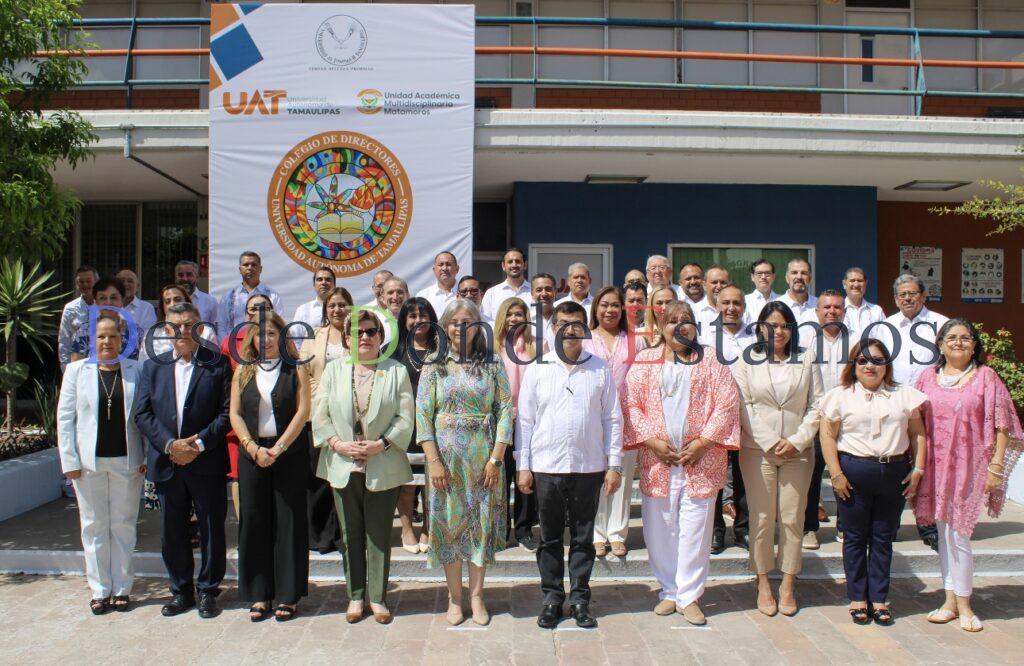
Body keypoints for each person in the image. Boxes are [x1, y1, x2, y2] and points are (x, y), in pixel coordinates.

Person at [622, 301, 741, 624]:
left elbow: (728, 403)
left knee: (695, 529)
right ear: (661, 327)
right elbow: (630, 403)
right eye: (672, 320)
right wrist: (652, 441)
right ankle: (668, 591)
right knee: (659, 527)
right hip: (658, 458)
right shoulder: (646, 360)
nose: (679, 326)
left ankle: (689, 596)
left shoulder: (712, 359)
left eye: (685, 320)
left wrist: (703, 443)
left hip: (700, 459)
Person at [516, 301, 622, 629]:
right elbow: (526, 422)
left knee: (582, 537)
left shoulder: (600, 369)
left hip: (588, 466)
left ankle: (579, 599)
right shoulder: (537, 368)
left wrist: (614, 464)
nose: (570, 330)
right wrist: (524, 465)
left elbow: (612, 419)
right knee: (548, 538)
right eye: (563, 323)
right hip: (547, 465)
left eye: (576, 323)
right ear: (553, 327)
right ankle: (551, 598)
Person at [913, 318, 1023, 632]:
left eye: (966, 338)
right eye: (952, 337)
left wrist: (996, 467)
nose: (959, 342)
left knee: (959, 535)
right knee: (944, 537)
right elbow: (914, 423)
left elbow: (1003, 425)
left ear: (975, 345)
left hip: (970, 468)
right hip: (936, 468)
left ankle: (964, 603)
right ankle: (949, 600)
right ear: (940, 344)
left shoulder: (986, 377)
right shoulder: (927, 378)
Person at [313, 309, 414, 625]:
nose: (365, 337)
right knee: (350, 533)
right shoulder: (333, 371)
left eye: (371, 331)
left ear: (381, 337)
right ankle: (355, 596)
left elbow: (406, 418)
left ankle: (378, 598)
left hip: (382, 462)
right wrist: (338, 444)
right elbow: (321, 415)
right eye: (357, 332)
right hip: (343, 463)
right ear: (346, 338)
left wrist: (381, 444)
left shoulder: (395, 371)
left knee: (379, 534)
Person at [417, 299, 513, 626]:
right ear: (445, 328)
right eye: (455, 322)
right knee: (447, 527)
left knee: (479, 526)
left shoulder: (492, 362)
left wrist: (496, 459)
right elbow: (422, 416)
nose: (461, 328)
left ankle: (477, 596)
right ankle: (454, 597)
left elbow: (504, 411)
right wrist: (434, 462)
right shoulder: (433, 364)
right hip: (445, 458)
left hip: (482, 456)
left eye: (468, 322)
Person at [133, 302, 232, 619]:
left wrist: (199, 444)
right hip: (168, 462)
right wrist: (170, 445)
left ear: (200, 328)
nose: (183, 332)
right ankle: (181, 591)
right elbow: (142, 414)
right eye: (176, 327)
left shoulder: (218, 365)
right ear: (165, 330)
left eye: (190, 325)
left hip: (207, 462)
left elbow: (226, 414)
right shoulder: (153, 367)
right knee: (171, 532)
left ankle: (207, 591)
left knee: (211, 529)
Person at [820, 338, 927, 627]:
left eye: (878, 360)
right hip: (853, 473)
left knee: (882, 538)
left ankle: (878, 599)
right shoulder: (840, 395)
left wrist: (918, 468)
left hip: (894, 473)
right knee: (854, 538)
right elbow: (827, 436)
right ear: (854, 364)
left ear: (887, 366)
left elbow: (918, 433)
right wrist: (836, 474)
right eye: (864, 360)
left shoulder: (903, 395)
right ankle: (857, 597)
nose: (870, 366)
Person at [732, 301, 823, 617]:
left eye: (784, 325)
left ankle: (787, 583)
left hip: (798, 452)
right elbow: (744, 405)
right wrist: (770, 441)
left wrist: (798, 440)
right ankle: (762, 583)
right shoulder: (747, 360)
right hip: (759, 451)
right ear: (760, 328)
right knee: (760, 518)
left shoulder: (806, 357)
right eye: (771, 324)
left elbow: (817, 404)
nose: (778, 331)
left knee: (791, 518)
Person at [57, 316, 146, 614]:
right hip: (87, 463)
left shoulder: (137, 370)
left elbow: (144, 416)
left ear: (122, 340)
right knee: (93, 526)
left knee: (123, 525)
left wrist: (145, 456)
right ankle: (99, 589)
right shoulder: (76, 371)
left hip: (127, 460)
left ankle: (122, 588)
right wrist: (68, 461)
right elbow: (65, 418)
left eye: (113, 337)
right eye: (101, 337)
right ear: (92, 340)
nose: (107, 342)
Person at [228, 312, 311, 622]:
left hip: (287, 453)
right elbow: (235, 413)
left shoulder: (296, 368)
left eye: (272, 334)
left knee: (289, 522)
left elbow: (303, 411)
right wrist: (251, 446)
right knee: (254, 520)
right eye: (260, 335)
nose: (266, 340)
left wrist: (278, 448)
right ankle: (259, 593)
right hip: (252, 454)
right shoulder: (244, 370)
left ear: (282, 337)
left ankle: (288, 596)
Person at [874, 274, 948, 549]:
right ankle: (889, 525)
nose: (907, 298)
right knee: (894, 466)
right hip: (894, 406)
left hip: (931, 408)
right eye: (902, 294)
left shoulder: (940, 324)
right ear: (895, 298)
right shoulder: (885, 326)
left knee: (927, 466)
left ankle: (927, 525)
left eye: (913, 293)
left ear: (923, 296)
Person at [585, 286, 643, 558]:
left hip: (627, 418)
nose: (610, 310)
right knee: (596, 476)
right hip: (593, 418)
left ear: (623, 310)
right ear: (595, 309)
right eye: (604, 305)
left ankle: (617, 532)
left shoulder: (635, 340)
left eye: (615, 305)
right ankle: (597, 533)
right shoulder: (586, 339)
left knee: (621, 474)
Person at [700, 284, 755, 554]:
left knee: (744, 473)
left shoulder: (755, 337)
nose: (732, 308)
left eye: (737, 303)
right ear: (717, 306)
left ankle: (743, 529)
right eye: (726, 303)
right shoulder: (706, 337)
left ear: (744, 307)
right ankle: (715, 531)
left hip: (748, 415)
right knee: (716, 474)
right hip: (715, 415)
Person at [300, 286, 353, 555]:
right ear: (325, 309)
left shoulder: (358, 336)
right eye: (332, 305)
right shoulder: (313, 338)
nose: (337, 309)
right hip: (317, 415)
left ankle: (345, 536)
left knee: (344, 479)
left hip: (348, 417)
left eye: (342, 304)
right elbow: (304, 373)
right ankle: (321, 535)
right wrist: (324, 397)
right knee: (318, 479)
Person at [221, 293, 276, 517]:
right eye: (254, 308)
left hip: (273, 419)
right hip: (241, 420)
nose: (259, 313)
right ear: (246, 313)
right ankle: (247, 526)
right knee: (238, 476)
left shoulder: (282, 339)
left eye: (265, 308)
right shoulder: (229, 342)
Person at [493, 297, 541, 552]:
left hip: (528, 420)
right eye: (510, 314)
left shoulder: (535, 347)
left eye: (519, 314)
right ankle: (500, 529)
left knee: (525, 476)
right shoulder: (493, 348)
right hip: (500, 421)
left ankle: (523, 530)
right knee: (501, 476)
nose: (514, 319)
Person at [802, 290, 848, 550]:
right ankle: (809, 528)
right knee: (812, 475)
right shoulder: (806, 340)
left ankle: (845, 526)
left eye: (837, 307)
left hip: (848, 420)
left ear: (844, 311)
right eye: (826, 307)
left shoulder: (856, 341)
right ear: (817, 312)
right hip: (817, 418)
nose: (832, 311)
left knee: (846, 473)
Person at [392, 298, 439, 554]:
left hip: (436, 428)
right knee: (408, 483)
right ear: (404, 320)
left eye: (424, 315)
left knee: (434, 482)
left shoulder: (443, 349)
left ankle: (430, 528)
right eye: (412, 316)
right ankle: (407, 527)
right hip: (405, 427)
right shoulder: (393, 350)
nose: (418, 320)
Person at [140, 284, 218, 362]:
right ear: (162, 307)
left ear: (187, 302)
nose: (172, 304)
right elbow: (143, 365)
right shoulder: (151, 335)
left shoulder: (206, 332)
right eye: (167, 301)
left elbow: (214, 363)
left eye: (177, 299)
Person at [216, 251, 282, 342]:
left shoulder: (272, 296)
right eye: (246, 265)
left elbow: (278, 324)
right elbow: (221, 325)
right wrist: (227, 346)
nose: (250, 268)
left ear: (261, 269)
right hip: (234, 346)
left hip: (263, 346)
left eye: (254, 265)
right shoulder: (228, 297)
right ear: (240, 269)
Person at [69, 277, 137, 363]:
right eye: (102, 298)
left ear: (122, 300)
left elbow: (138, 367)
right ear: (96, 302)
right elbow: (76, 367)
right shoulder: (85, 331)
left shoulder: (133, 331)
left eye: (113, 298)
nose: (108, 303)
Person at [59, 265, 99, 370]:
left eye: (89, 281)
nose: (85, 284)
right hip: (78, 364)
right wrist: (65, 367)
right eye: (81, 282)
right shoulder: (70, 308)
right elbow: (64, 340)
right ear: (77, 284)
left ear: (96, 282)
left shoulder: (106, 305)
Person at [480, 248, 532, 322]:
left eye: (518, 261)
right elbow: (486, 322)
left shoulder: (534, 292)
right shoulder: (492, 293)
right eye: (510, 262)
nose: (514, 265)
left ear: (525, 265)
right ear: (503, 266)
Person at [777, 259, 818, 348]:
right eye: (794, 272)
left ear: (810, 278)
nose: (799, 277)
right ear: (787, 278)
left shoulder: (820, 306)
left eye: (804, 273)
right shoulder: (775, 306)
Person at [841, 267, 884, 341]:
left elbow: (884, 338)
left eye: (860, 281)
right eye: (852, 280)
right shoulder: (836, 310)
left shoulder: (876, 311)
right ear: (844, 284)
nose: (856, 284)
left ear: (865, 283)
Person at [116, 269, 157, 341]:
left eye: (130, 281)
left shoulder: (146, 308)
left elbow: (148, 337)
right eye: (122, 281)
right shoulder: (108, 306)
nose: (125, 284)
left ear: (137, 286)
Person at [292, 266, 337, 331]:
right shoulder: (302, 310)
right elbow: (296, 338)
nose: (323, 282)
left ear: (334, 284)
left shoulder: (344, 309)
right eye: (319, 279)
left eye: (328, 279)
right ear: (314, 284)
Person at [174, 260, 218, 326]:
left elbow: (216, 329)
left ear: (197, 278)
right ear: (175, 278)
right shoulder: (169, 302)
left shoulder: (210, 302)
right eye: (180, 275)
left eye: (189, 274)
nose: (185, 279)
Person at [415, 251, 459, 317]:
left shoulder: (468, 294)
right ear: (434, 270)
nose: (444, 268)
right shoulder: (423, 296)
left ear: (457, 269)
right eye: (441, 265)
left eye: (448, 264)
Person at [745, 259, 780, 325]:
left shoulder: (782, 300)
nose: (763, 277)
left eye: (767, 273)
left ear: (773, 277)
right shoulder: (745, 301)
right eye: (759, 273)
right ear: (752, 277)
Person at [530, 273, 558, 350]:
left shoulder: (564, 319)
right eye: (539, 290)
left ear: (555, 292)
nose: (544, 294)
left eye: (548, 289)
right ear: (532, 294)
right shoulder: (525, 320)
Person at [379, 276, 409, 346]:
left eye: (399, 292)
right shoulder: (376, 322)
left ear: (408, 295)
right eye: (390, 292)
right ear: (383, 298)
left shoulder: (417, 320)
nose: (395, 297)